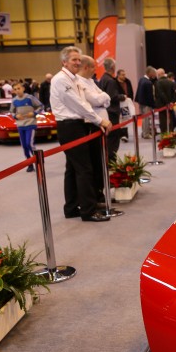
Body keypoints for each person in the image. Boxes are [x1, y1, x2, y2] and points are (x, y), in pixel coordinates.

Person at [50, 45, 112, 222]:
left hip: (78, 125)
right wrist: (100, 121)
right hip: (69, 127)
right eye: (73, 60)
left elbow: (87, 100)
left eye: (78, 59)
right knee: (85, 169)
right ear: (64, 62)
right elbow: (78, 104)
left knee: (72, 169)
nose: (77, 62)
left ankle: (71, 208)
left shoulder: (75, 79)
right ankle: (88, 210)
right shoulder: (60, 80)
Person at [77, 55, 111, 203]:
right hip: (93, 124)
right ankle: (96, 194)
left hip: (102, 123)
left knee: (102, 160)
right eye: (94, 67)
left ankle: (101, 192)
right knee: (95, 162)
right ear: (86, 67)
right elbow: (96, 99)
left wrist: (101, 98)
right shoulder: (79, 82)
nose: (96, 70)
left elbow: (106, 99)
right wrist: (101, 98)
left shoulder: (91, 81)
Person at [10, 81, 43, 172]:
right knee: (24, 145)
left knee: (29, 144)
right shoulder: (14, 101)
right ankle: (29, 163)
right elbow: (11, 112)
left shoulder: (30, 98)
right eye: (15, 89)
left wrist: (34, 113)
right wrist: (16, 116)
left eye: (19, 88)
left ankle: (37, 160)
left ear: (23, 88)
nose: (17, 91)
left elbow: (40, 106)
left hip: (30, 124)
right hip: (20, 125)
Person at [98, 58, 124, 160]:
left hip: (106, 112)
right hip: (112, 113)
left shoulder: (103, 79)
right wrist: (122, 97)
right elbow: (112, 97)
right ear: (113, 67)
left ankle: (108, 159)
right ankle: (111, 161)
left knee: (109, 138)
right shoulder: (110, 81)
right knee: (113, 138)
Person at [134, 66, 157, 139]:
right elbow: (150, 96)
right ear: (150, 73)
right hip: (146, 104)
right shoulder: (148, 83)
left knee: (144, 118)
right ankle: (146, 134)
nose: (154, 75)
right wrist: (153, 105)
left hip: (141, 102)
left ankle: (144, 132)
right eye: (154, 73)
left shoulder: (141, 79)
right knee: (146, 119)